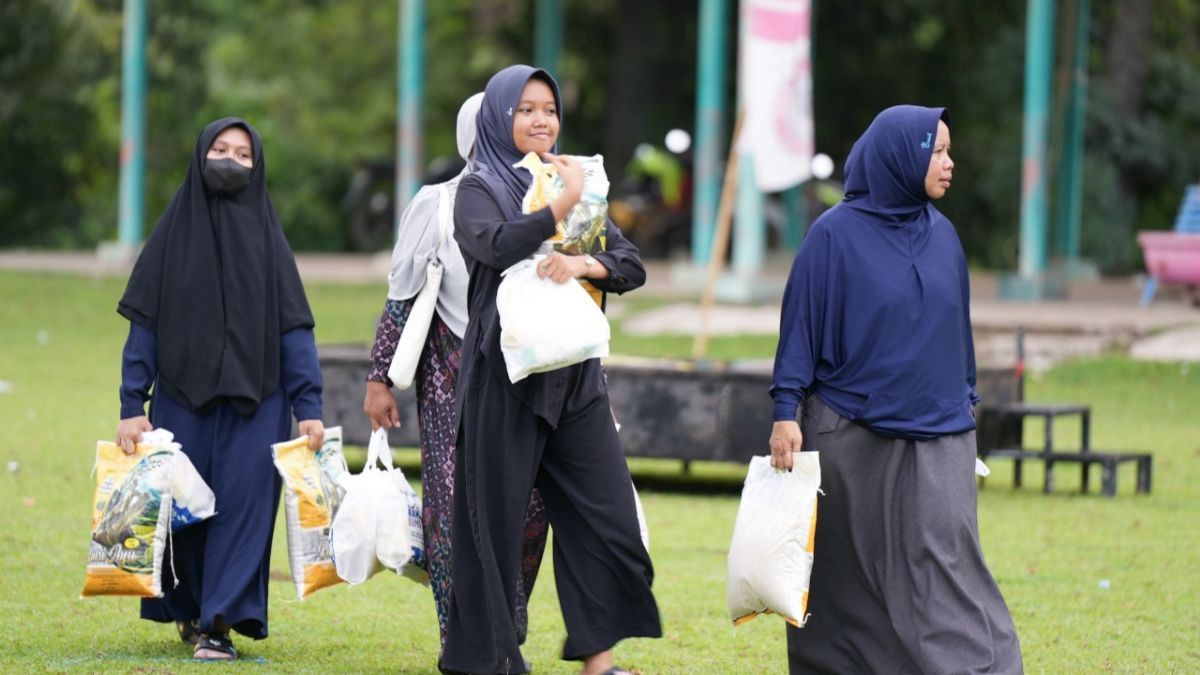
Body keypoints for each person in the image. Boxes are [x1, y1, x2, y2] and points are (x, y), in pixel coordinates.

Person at [768, 105, 1023, 674]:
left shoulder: (944, 236)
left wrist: (967, 403)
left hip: (940, 433)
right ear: (898, 158)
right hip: (848, 433)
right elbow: (800, 330)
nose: (949, 163)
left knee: (946, 568)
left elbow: (957, 331)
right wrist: (786, 411)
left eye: (948, 151)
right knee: (845, 578)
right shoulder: (832, 235)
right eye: (937, 151)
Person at [440, 64, 661, 675]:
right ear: (499, 116)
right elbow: (495, 244)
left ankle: (599, 660)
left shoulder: (578, 180)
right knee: (494, 527)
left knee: (608, 517)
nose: (541, 120)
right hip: (504, 377)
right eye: (525, 109)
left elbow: (628, 263)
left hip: (576, 376)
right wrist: (557, 207)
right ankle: (483, 662)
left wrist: (584, 266)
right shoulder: (479, 186)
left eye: (549, 110)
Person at [114, 118, 325, 662]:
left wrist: (309, 406)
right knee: (185, 511)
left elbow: (293, 327)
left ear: (258, 167)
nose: (231, 161)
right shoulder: (171, 236)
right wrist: (131, 404)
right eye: (220, 150)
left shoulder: (270, 240)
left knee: (244, 512)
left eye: (244, 154)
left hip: (260, 401)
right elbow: (145, 325)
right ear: (199, 156)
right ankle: (191, 607)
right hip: (182, 399)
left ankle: (220, 624)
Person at [363, 92, 549, 644]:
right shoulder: (438, 203)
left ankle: (506, 623)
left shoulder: (549, 196)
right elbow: (402, 296)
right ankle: (461, 635)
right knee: (452, 507)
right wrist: (379, 378)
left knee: (530, 508)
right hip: (453, 372)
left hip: (529, 372)